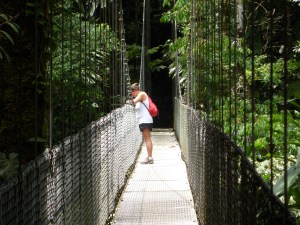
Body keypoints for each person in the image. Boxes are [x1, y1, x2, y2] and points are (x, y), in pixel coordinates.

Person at [128, 83, 154, 164]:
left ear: (136, 90)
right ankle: (149, 157)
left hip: (145, 120)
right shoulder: (139, 97)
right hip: (143, 121)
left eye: (132, 92)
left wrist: (128, 101)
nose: (131, 94)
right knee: (147, 139)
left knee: (147, 139)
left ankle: (150, 158)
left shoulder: (142, 94)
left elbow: (133, 101)